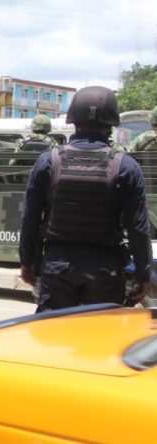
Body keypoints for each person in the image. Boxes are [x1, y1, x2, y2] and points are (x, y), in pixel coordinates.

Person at [19, 86, 151, 310]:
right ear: (110, 124)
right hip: (105, 269)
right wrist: (143, 273)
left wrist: (27, 262)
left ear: (73, 120)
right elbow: (138, 226)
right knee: (100, 341)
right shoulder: (126, 165)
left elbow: (30, 217)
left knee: (55, 338)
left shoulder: (48, 161)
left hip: (57, 266)